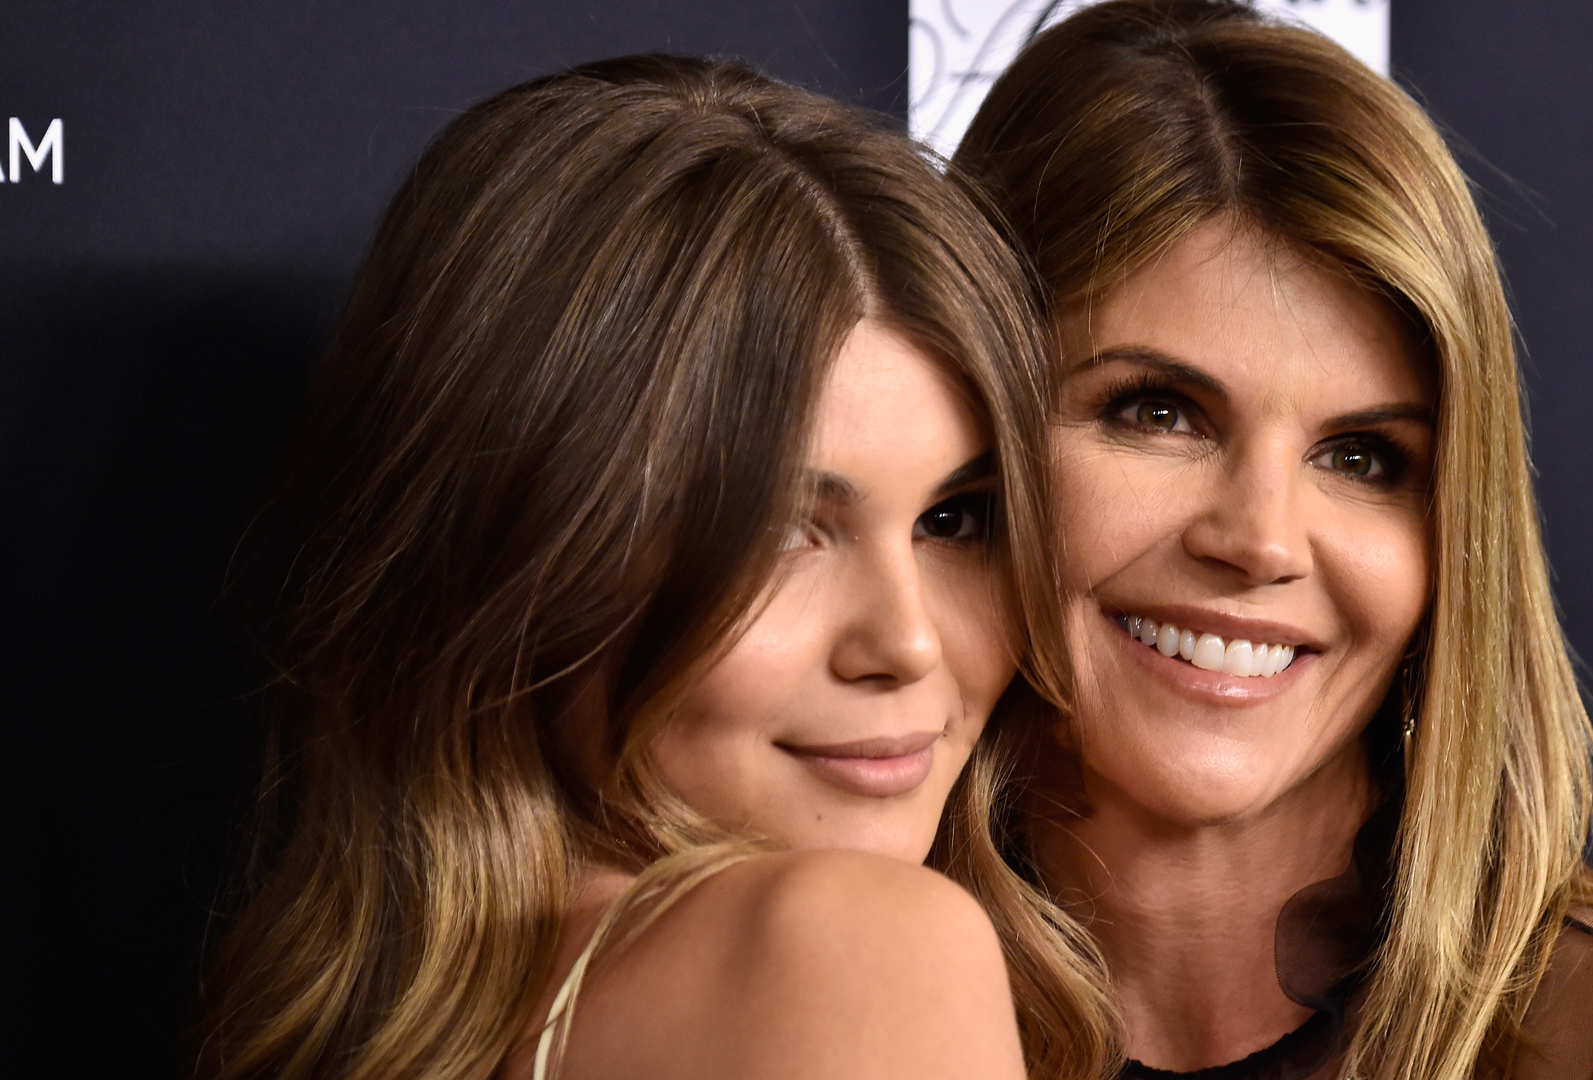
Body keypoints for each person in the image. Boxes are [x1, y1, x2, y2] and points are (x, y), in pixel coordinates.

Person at [952, 2, 1593, 1078]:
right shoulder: (776, 992)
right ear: (969, 431)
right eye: (1157, 411)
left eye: (1363, 457)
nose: (1262, 540)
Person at [194, 55, 1114, 1080]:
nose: (906, 643)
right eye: (775, 530)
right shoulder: (856, 949)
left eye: (957, 519)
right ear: (529, 549)